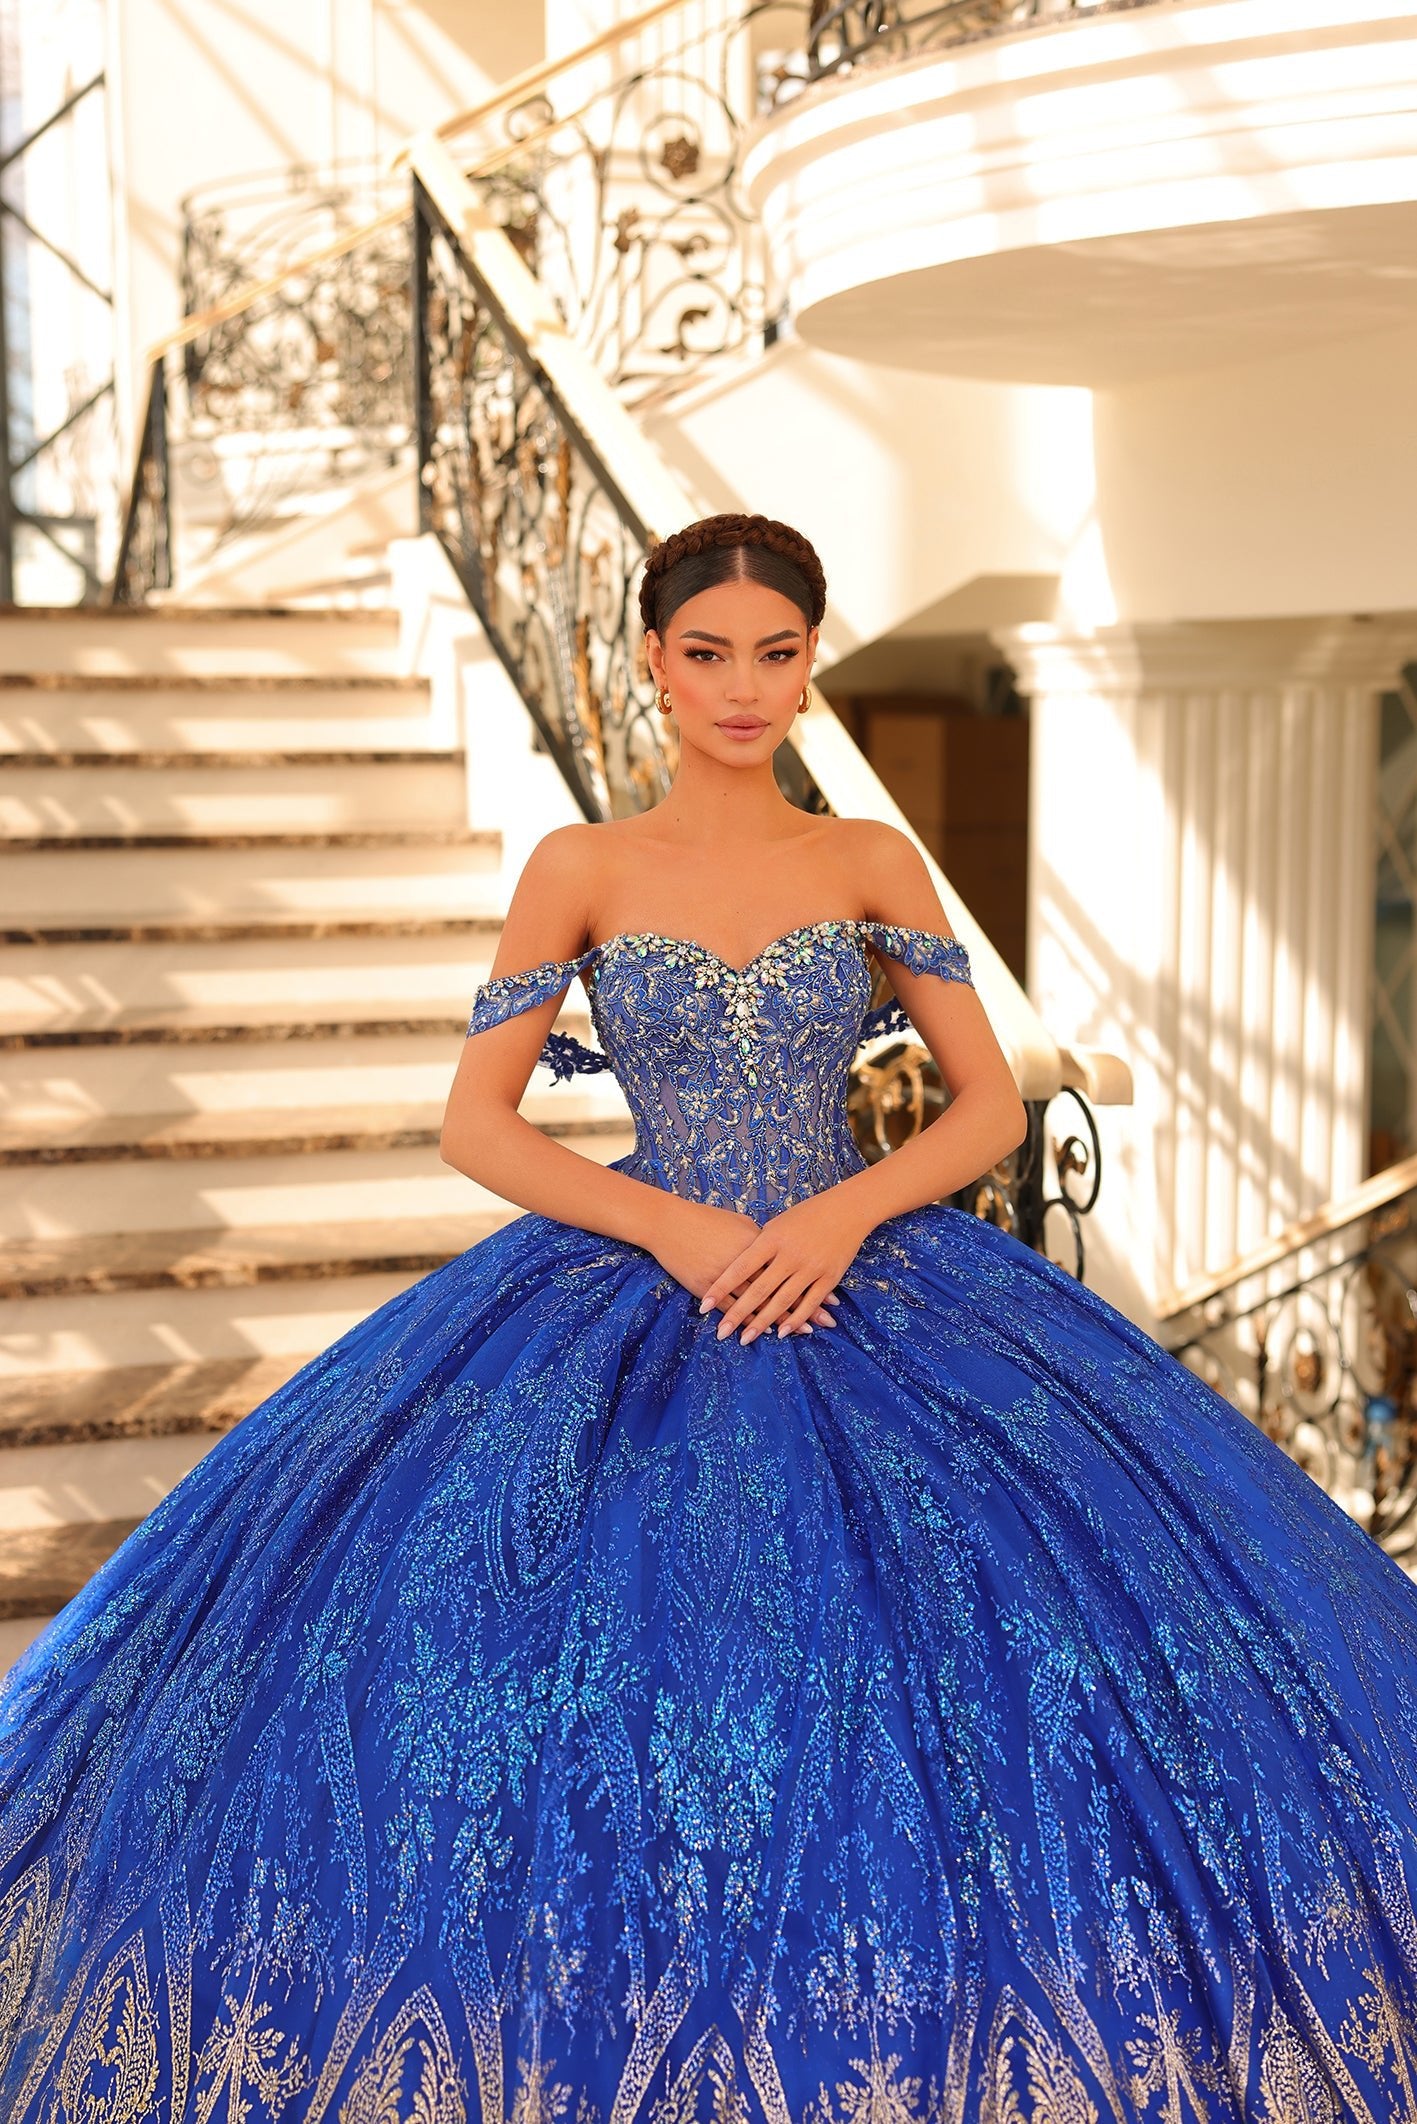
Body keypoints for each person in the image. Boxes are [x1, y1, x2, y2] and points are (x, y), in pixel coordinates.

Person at [1, 511, 1415, 2124]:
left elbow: (984, 1114)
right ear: (652, 664)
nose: (742, 687)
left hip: (860, 1268)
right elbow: (481, 1125)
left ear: (811, 660)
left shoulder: (868, 860)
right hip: (638, 1265)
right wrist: (672, 1221)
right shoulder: (580, 867)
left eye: (777, 652)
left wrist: (833, 1213)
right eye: (705, 654)